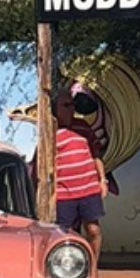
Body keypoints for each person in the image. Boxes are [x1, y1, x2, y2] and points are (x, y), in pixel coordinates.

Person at [51, 96, 108, 251]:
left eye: (72, 104)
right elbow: (47, 165)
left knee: (93, 230)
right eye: (66, 105)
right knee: (65, 234)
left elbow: (96, 154)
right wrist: (52, 192)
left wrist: (103, 180)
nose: (71, 108)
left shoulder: (83, 126)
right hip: (65, 193)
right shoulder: (51, 133)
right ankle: (70, 270)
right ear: (55, 110)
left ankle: (92, 268)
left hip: (89, 189)